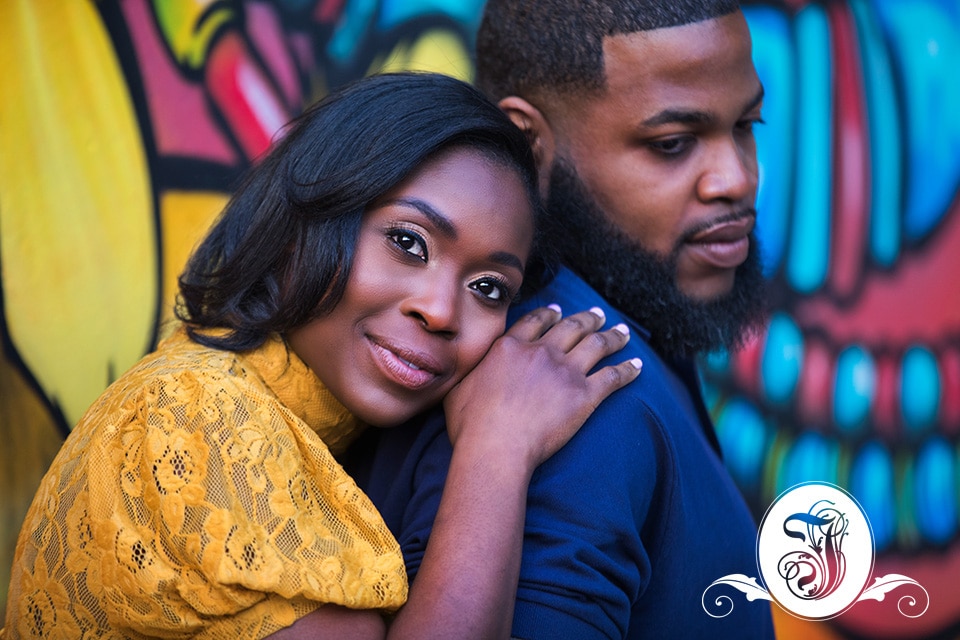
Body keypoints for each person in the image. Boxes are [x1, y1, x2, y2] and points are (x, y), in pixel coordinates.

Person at [1, 72, 643, 639]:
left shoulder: (287, 422)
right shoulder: (196, 410)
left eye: (488, 288)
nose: (442, 311)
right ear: (305, 223)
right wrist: (498, 448)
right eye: (408, 242)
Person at [347, 2, 777, 638]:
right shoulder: (571, 389)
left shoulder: (634, 316)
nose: (737, 179)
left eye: (746, 125)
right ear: (528, 143)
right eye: (672, 144)